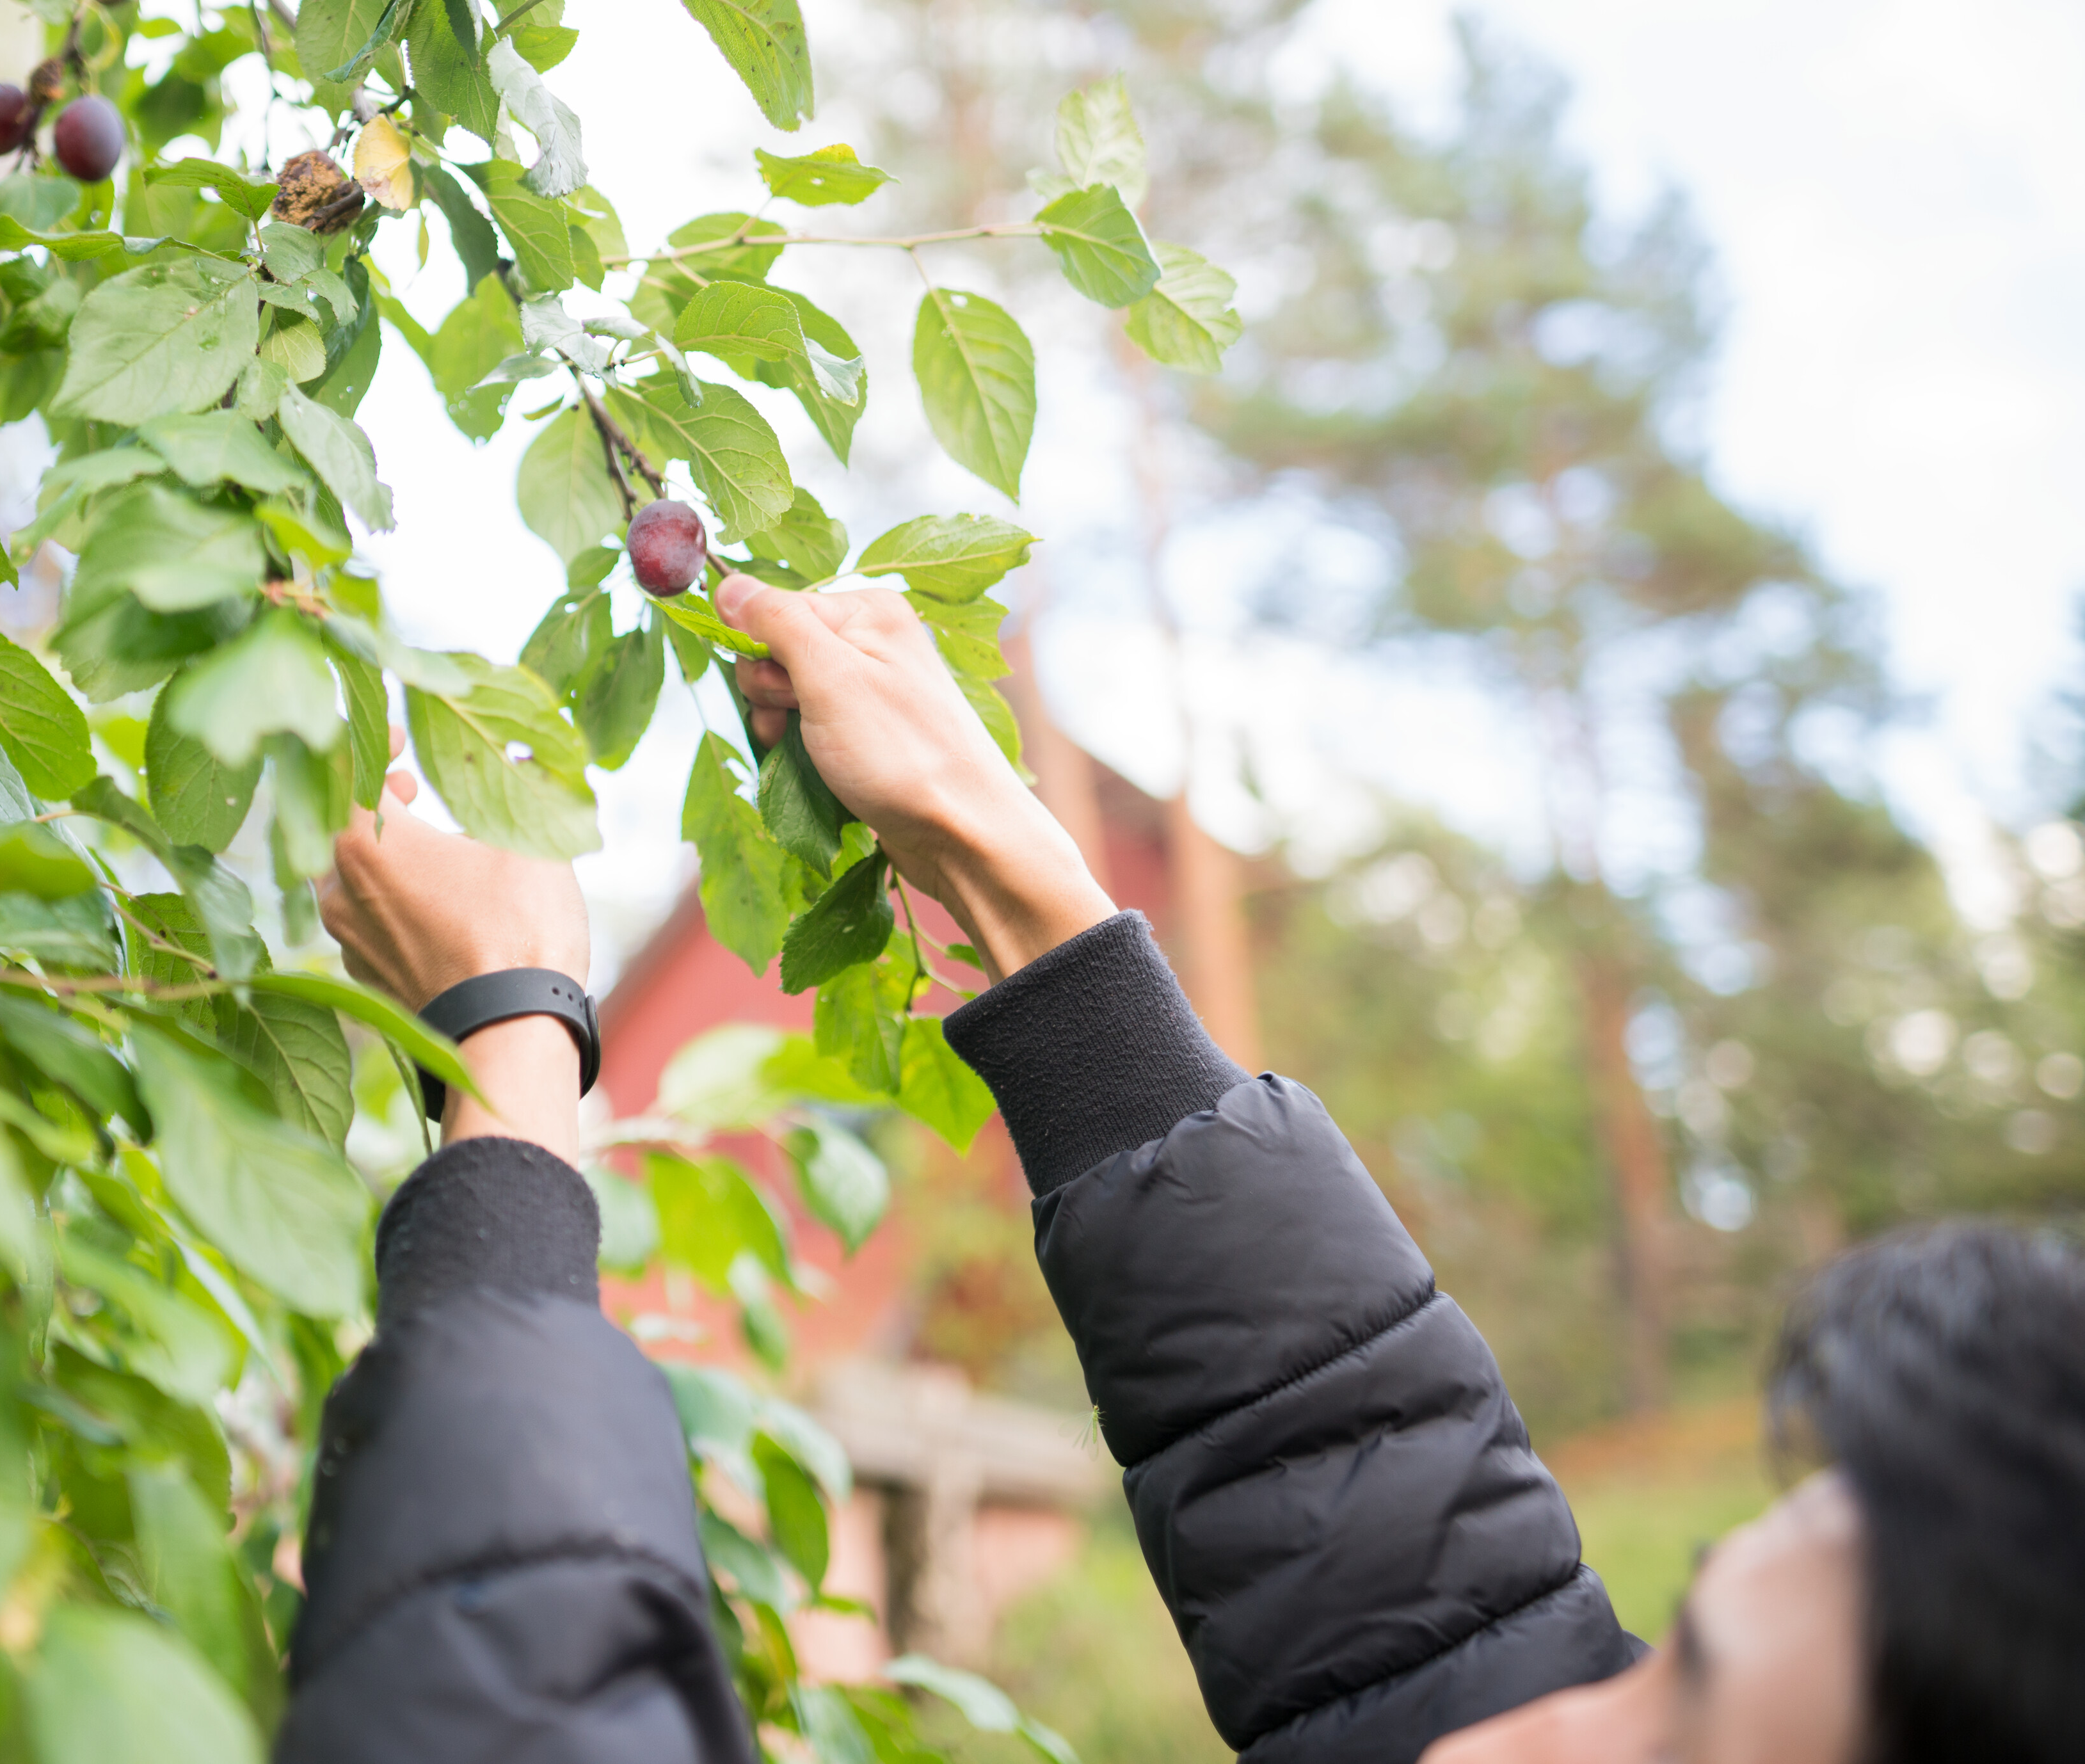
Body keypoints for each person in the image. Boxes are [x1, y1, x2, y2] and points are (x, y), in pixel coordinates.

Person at [275, 572, 2085, 1764]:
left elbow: (496, 1711)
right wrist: (1021, 885)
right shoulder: (1551, 1723)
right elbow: (1428, 1598)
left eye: (1676, 1710)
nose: (1506, 1747)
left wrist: (513, 1057)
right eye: (1669, 1627)